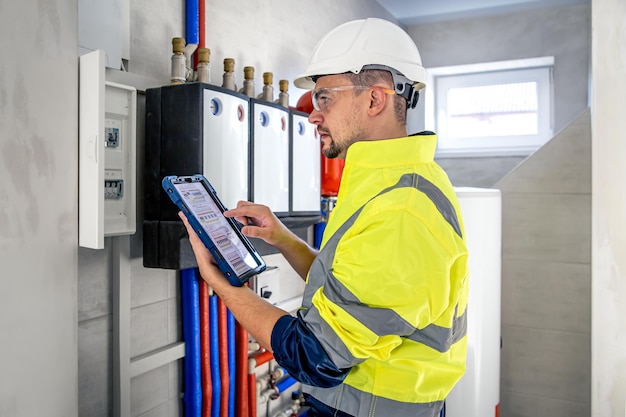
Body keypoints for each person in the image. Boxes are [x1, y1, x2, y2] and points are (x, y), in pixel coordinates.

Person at [180, 17, 469, 417]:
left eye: (324, 98)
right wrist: (283, 238)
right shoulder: (388, 180)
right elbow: (353, 292)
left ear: (375, 100)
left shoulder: (402, 208)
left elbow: (315, 354)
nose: (312, 115)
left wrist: (223, 286)